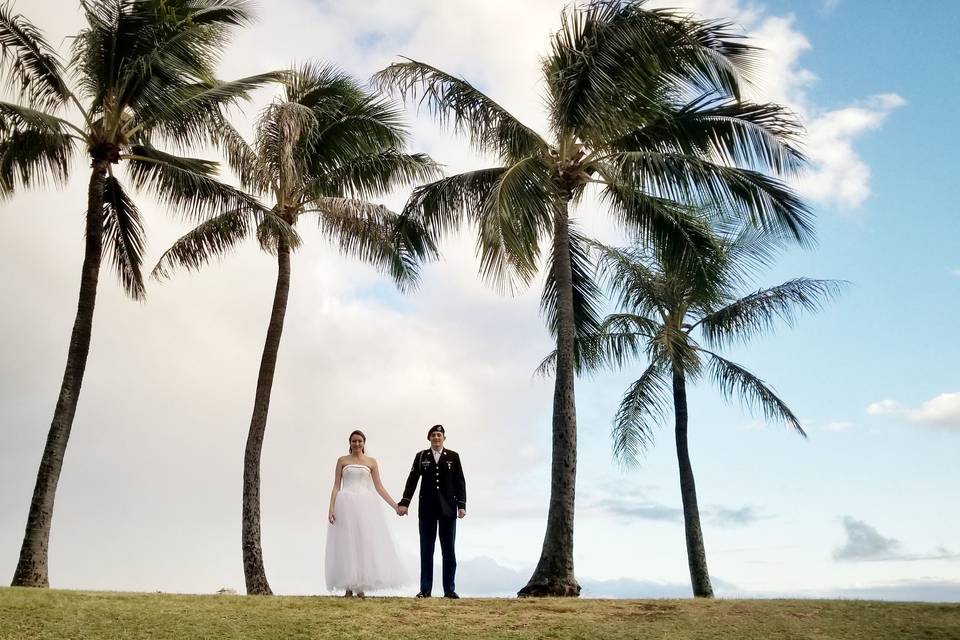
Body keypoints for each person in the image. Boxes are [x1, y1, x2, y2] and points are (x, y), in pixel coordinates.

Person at [325, 430, 407, 597]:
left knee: (363, 543)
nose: (357, 444)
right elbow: (336, 486)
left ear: (364, 443)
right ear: (350, 443)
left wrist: (395, 506)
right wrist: (331, 507)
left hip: (365, 505)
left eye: (360, 441)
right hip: (345, 503)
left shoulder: (371, 462)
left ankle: (360, 587)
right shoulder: (342, 461)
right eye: (354, 441)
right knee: (347, 543)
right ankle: (348, 587)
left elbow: (379, 487)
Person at [397, 424, 466, 598]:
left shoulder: (453, 457)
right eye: (433, 435)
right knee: (427, 550)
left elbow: (460, 482)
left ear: (444, 438)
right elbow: (412, 480)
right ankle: (425, 590)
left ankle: (449, 590)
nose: (436, 438)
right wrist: (405, 502)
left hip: (448, 509)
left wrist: (462, 505)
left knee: (448, 550)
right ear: (429, 438)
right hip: (427, 508)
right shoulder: (421, 457)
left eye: (439, 435)